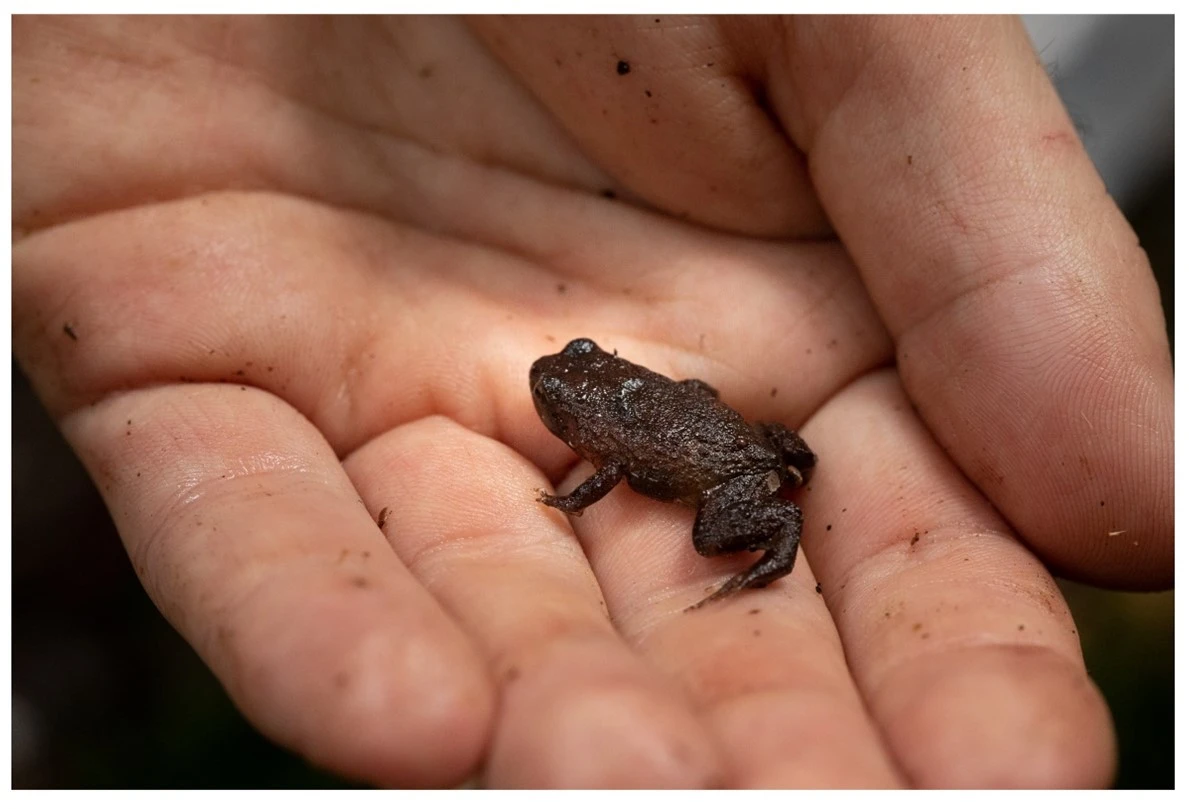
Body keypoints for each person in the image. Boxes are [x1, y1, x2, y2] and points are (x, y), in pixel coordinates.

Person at [10, 16, 1171, 788]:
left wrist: (577, 501)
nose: (562, 390)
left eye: (569, 385)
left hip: (728, 469)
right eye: (566, 387)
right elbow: (662, 419)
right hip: (729, 433)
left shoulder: (611, 447)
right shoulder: (621, 410)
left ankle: (771, 555)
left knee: (732, 521)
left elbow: (614, 471)